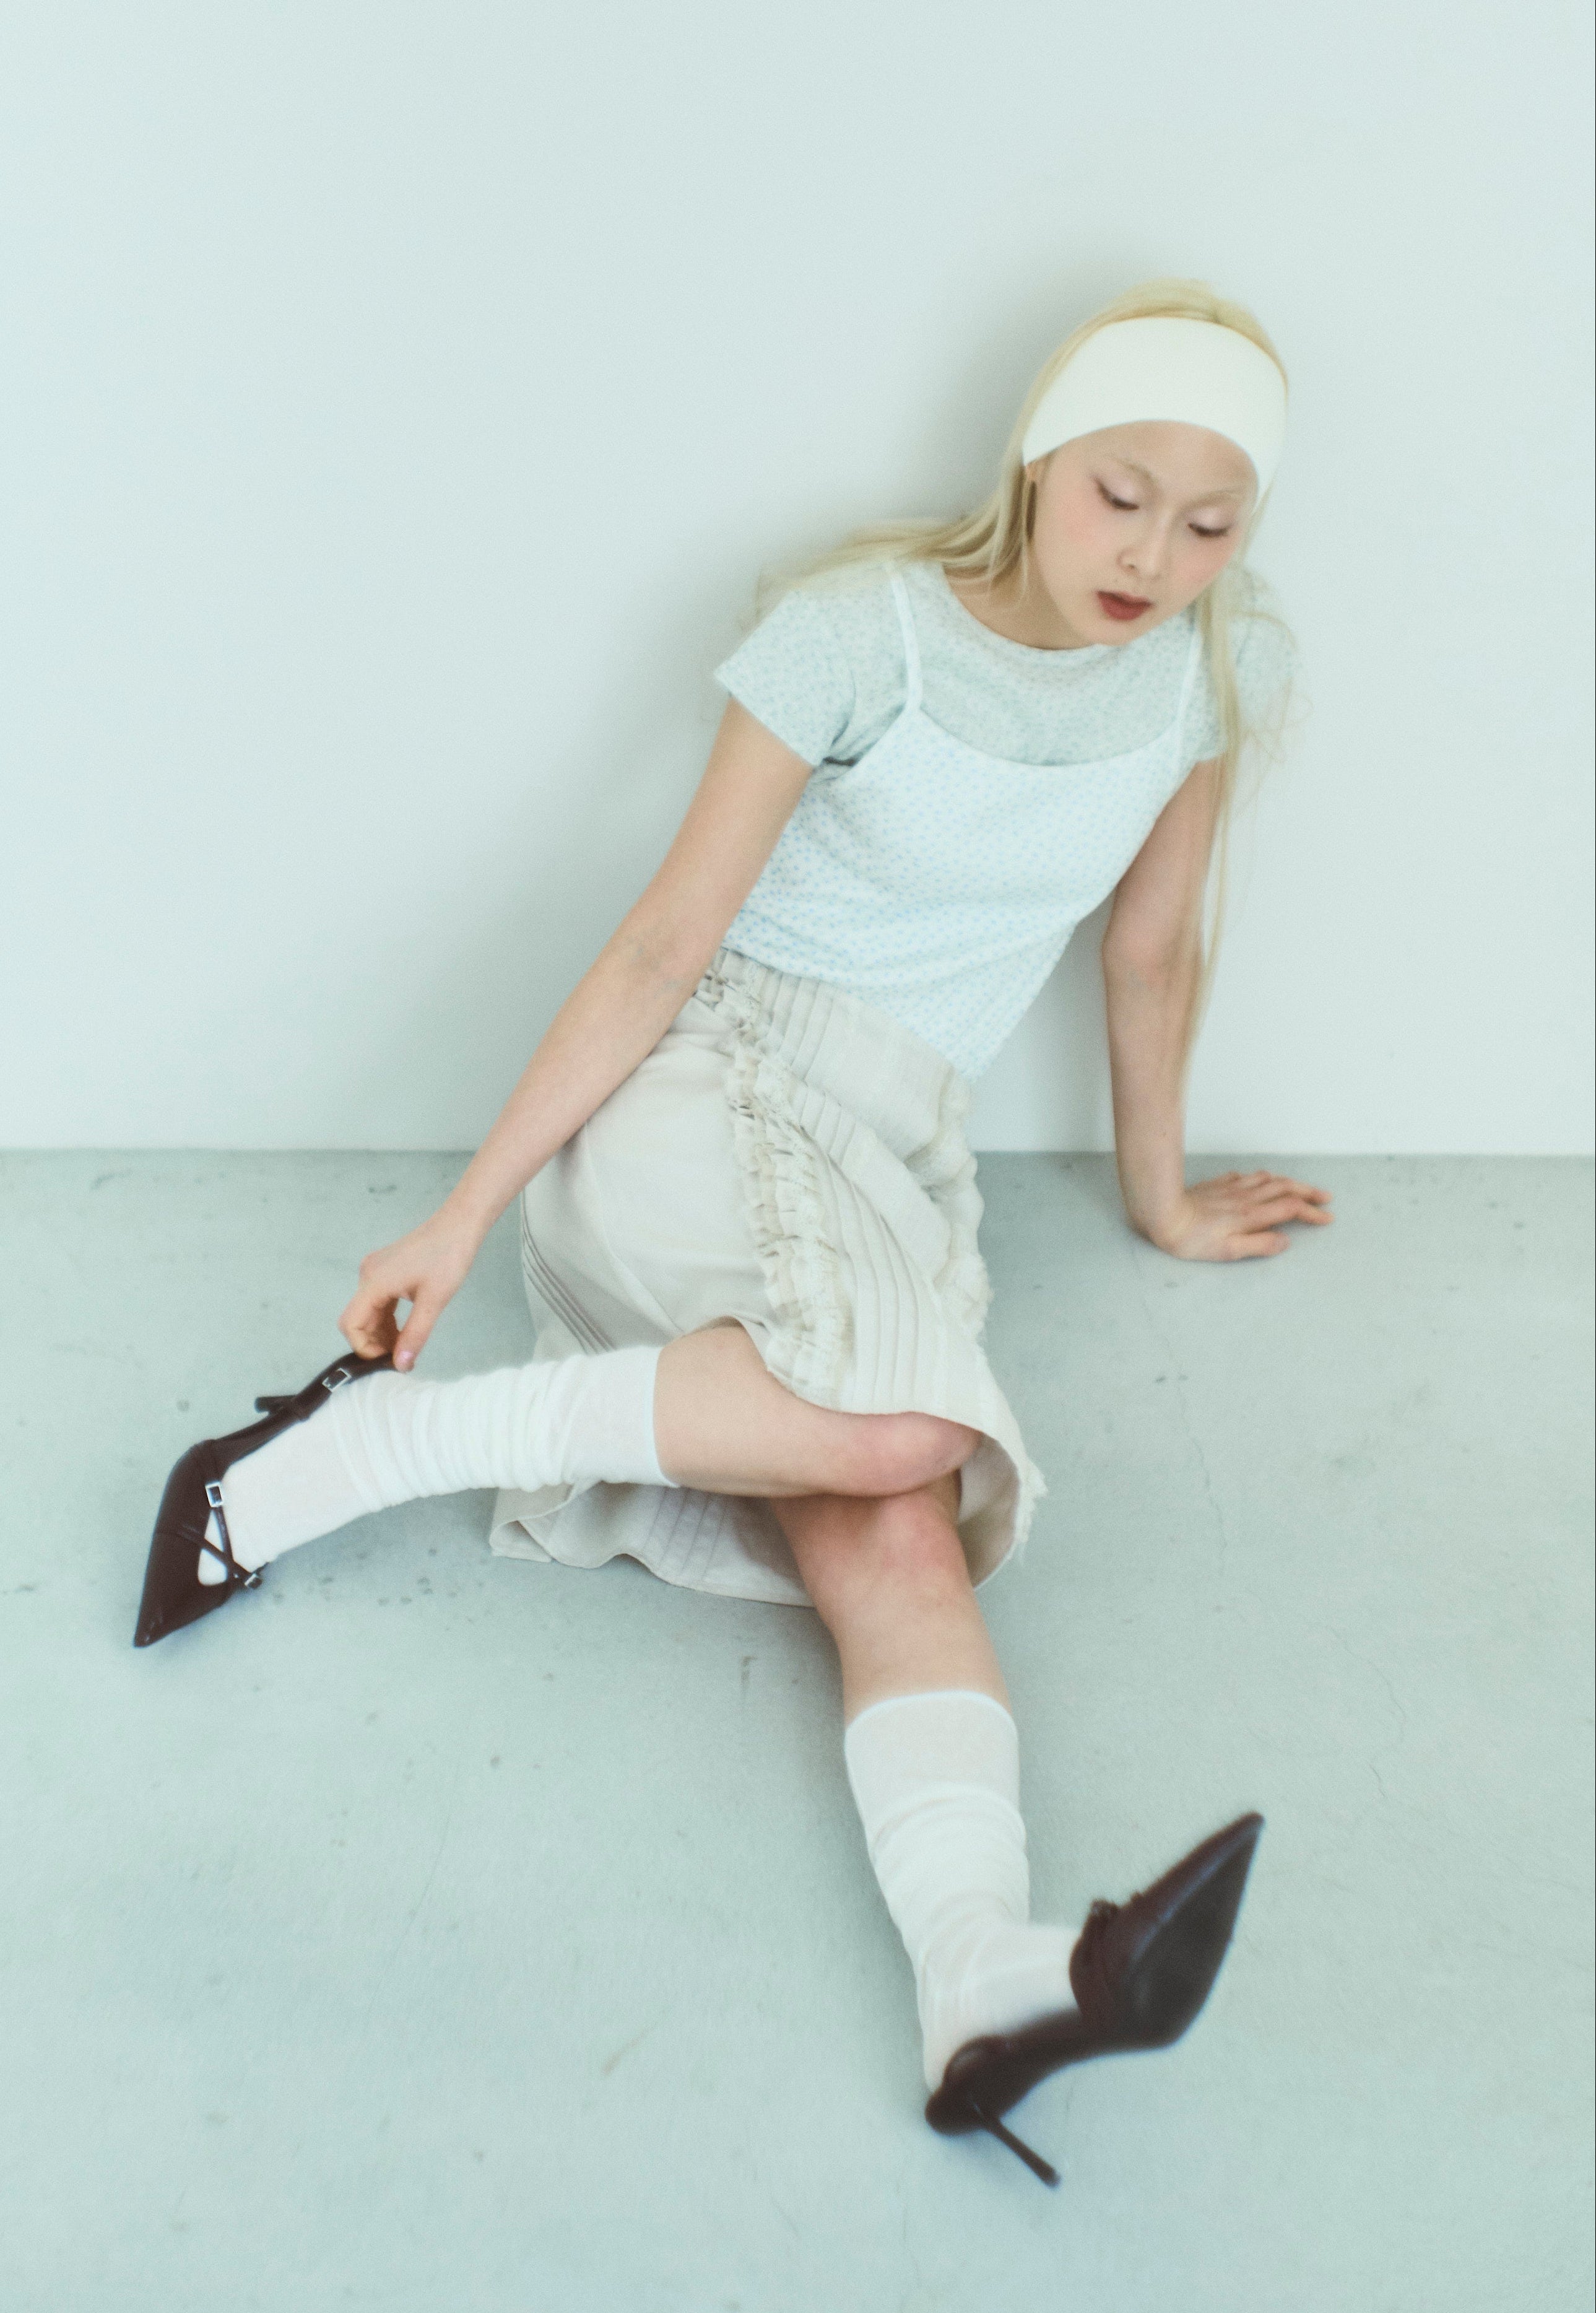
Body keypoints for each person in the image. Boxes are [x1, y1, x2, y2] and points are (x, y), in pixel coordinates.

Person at [136, 276, 1333, 2185]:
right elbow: (662, 941)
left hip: (893, 1155)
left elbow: (1145, 950)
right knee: (904, 1430)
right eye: (1122, 495)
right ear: (1040, 458)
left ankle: (979, 1974)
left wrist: (1159, 1195)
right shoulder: (859, 633)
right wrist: (461, 1215)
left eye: (1209, 521)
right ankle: (379, 1442)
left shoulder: (1202, 668)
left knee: (901, 1524)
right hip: (711, 1087)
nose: (1152, 555)